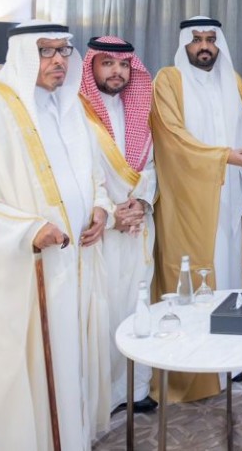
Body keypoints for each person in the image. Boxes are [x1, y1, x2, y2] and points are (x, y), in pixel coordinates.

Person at [0, 20, 113, 449]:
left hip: (75, 264)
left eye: (63, 50)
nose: (58, 61)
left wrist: (100, 206)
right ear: (22, 54)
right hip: (30, 267)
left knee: (70, 361)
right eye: (45, 51)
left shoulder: (70, 105)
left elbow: (92, 172)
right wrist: (28, 229)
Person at [150, 16, 242, 402]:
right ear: (185, 44)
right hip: (187, 199)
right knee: (194, 275)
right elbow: (172, 137)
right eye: (196, 39)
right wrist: (222, 157)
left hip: (229, 196)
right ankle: (194, 370)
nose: (204, 46)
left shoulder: (235, 82)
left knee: (227, 271)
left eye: (211, 39)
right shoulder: (168, 81)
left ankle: (229, 363)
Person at [79, 35, 158, 414]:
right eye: (107, 63)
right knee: (103, 312)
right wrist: (112, 213)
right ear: (91, 66)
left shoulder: (140, 108)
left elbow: (152, 165)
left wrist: (140, 202)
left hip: (138, 225)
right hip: (102, 232)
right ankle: (103, 399)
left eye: (124, 64)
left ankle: (135, 389)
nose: (117, 71)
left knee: (136, 303)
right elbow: (82, 174)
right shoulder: (78, 113)